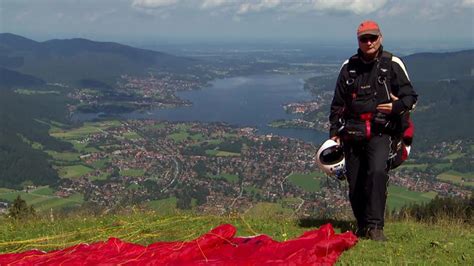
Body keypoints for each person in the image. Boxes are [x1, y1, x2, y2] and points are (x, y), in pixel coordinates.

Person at [328, 20, 417, 241]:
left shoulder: (392, 64)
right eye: (364, 38)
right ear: (358, 40)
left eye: (372, 37)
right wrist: (334, 133)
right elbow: (337, 103)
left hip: (381, 132)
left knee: (377, 173)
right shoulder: (348, 67)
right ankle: (362, 225)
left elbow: (411, 97)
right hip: (352, 132)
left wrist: (396, 106)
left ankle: (376, 227)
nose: (368, 42)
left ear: (380, 38)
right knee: (355, 180)